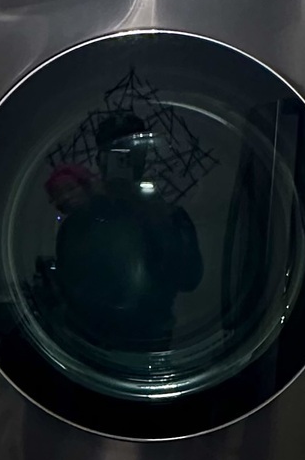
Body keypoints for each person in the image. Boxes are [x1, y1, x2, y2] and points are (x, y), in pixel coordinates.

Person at [45, 111, 202, 355]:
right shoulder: (82, 220)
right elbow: (71, 285)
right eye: (115, 155)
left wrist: (152, 217)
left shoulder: (166, 214)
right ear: (100, 161)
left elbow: (189, 278)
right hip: (91, 345)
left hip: (147, 343)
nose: (123, 163)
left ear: (142, 159)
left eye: (131, 155)